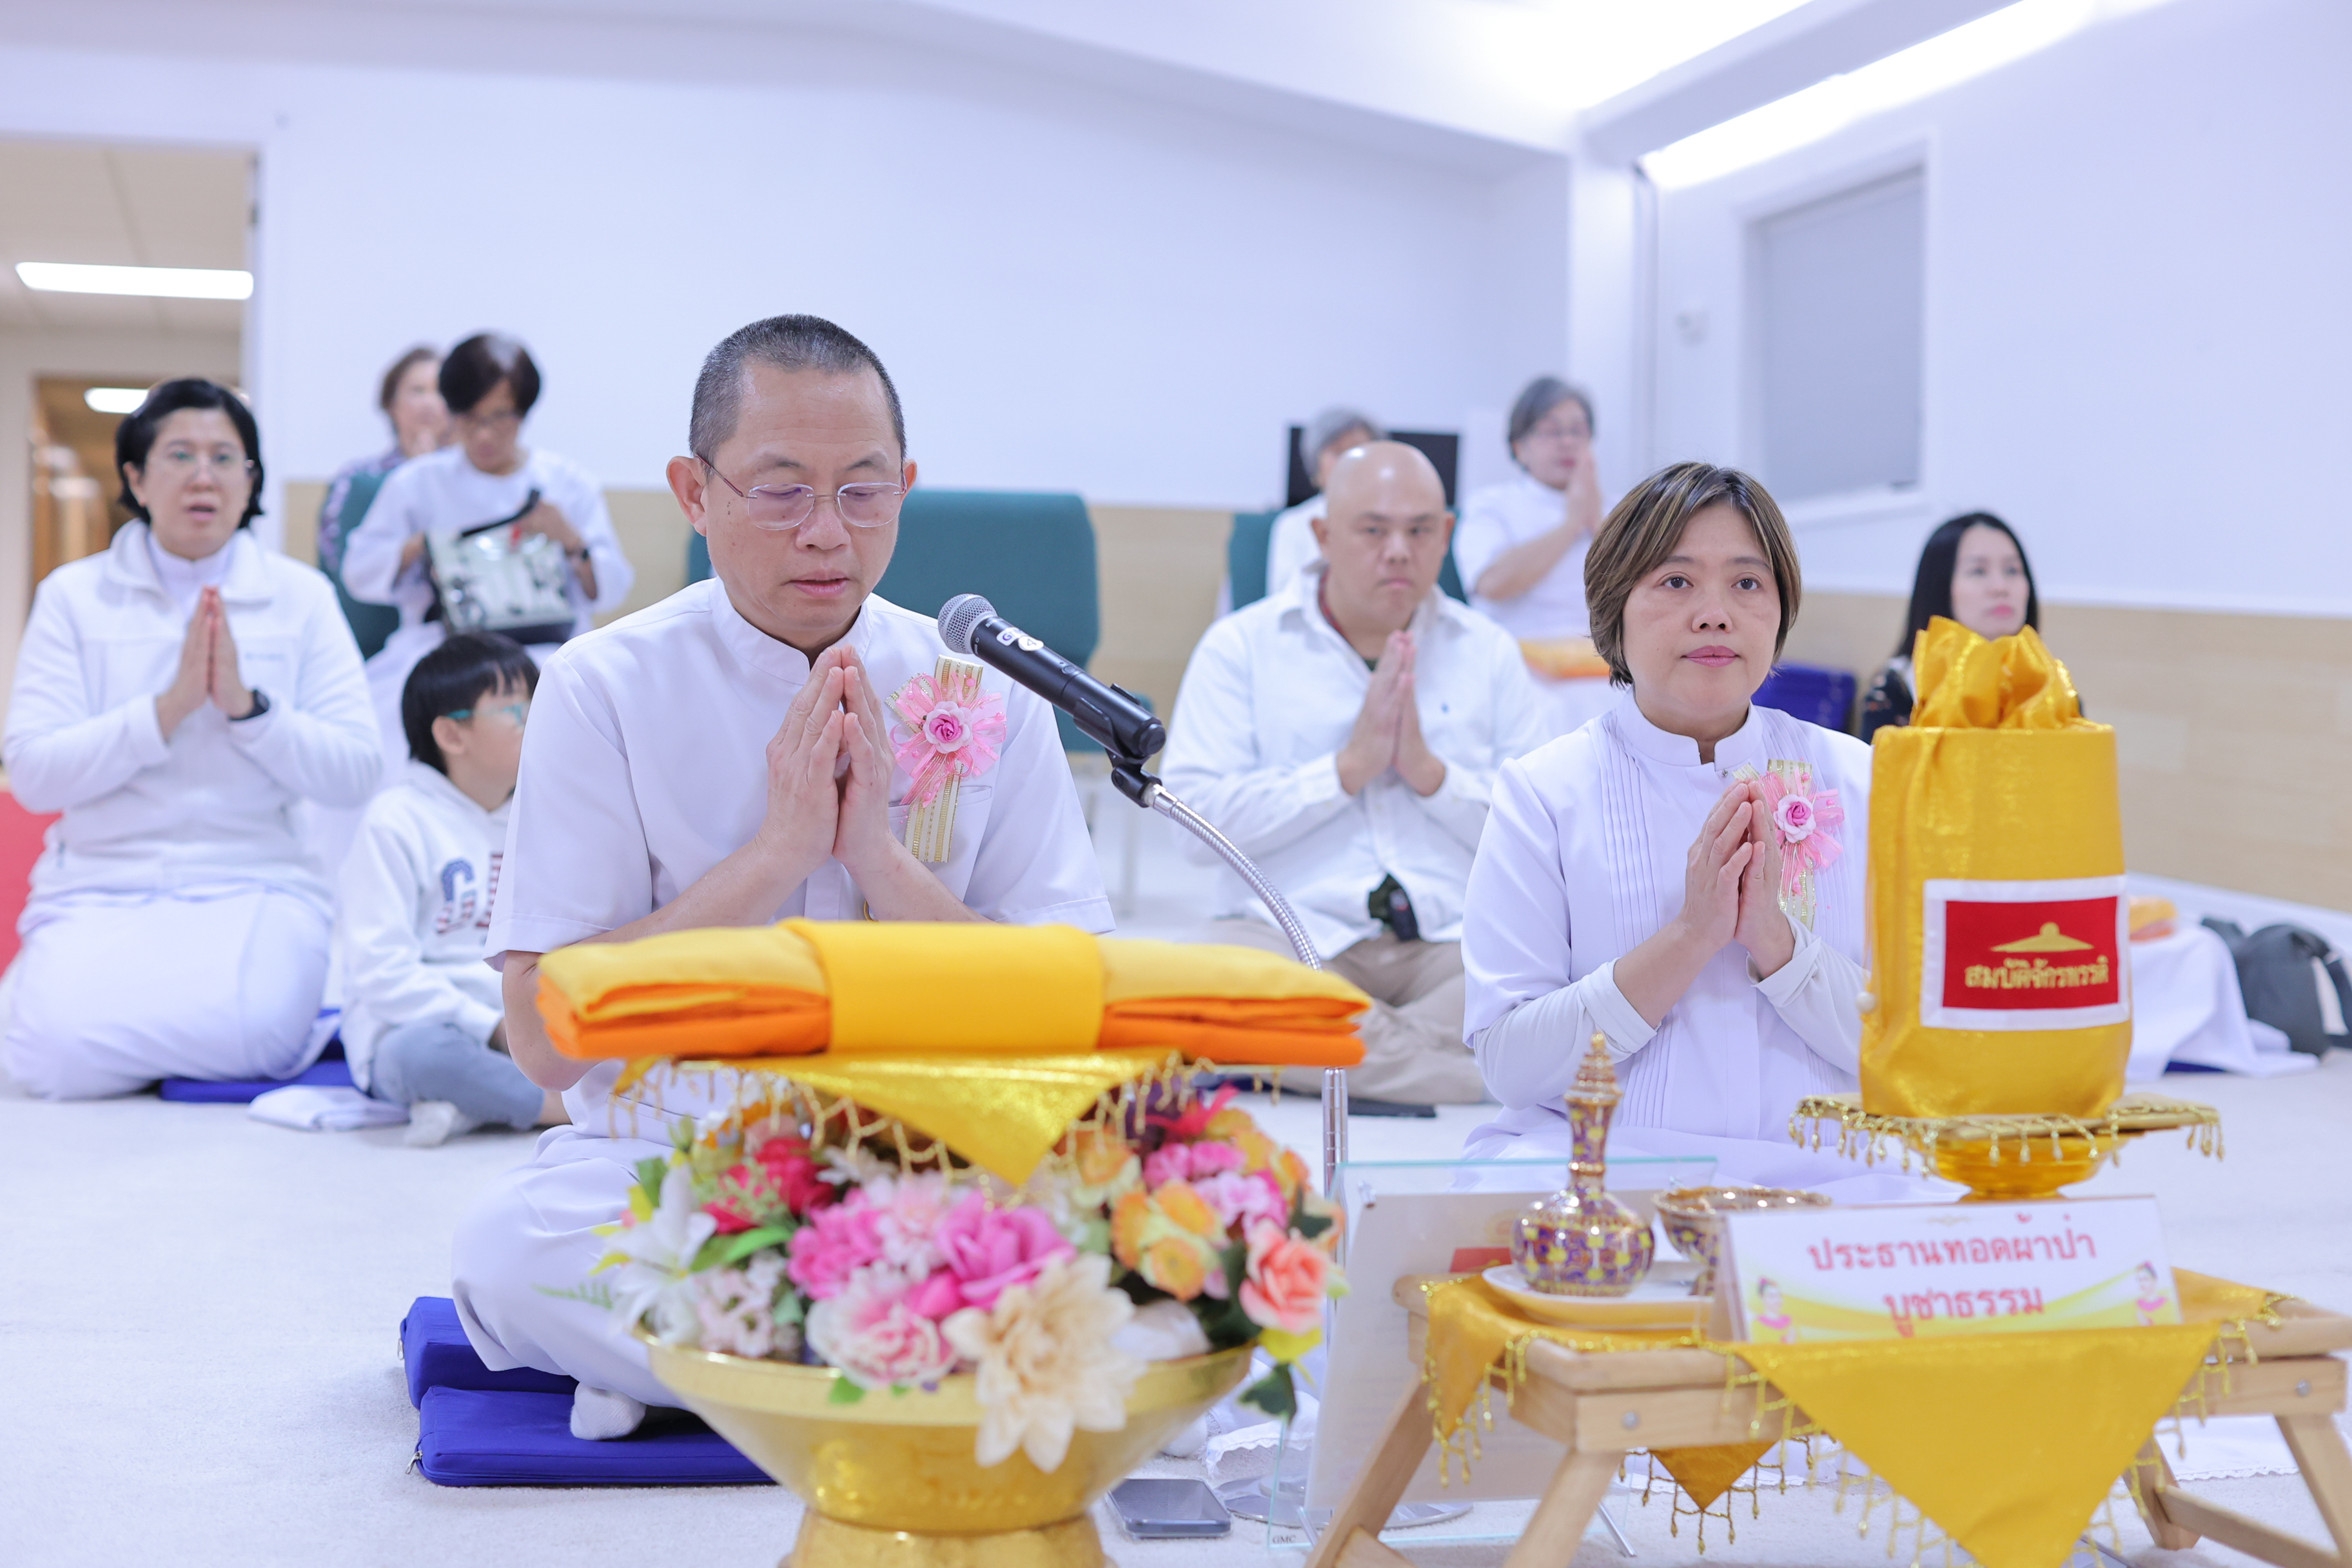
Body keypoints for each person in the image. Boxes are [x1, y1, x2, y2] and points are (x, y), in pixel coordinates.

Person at [449, 315, 1108, 1440]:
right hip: (678, 1161)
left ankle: (716, 1358)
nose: (826, 532)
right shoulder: (604, 685)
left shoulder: (984, 684)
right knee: (509, 1253)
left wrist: (879, 863)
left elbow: (1070, 1013)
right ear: (694, 494)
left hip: (929, 1157)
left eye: (862, 491)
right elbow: (545, 1042)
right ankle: (924, 1359)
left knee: (1138, 1214)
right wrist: (773, 858)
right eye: (780, 490)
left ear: (905, 488)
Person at [1458, 462, 1914, 1198]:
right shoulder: (1543, 793)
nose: (1714, 614)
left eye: (1747, 583)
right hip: (1607, 1166)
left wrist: (1779, 945)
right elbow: (1512, 1065)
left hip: (1831, 1167)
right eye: (1676, 581)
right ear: (1614, 606)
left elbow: (1916, 1050)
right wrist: (1691, 936)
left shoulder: (1864, 781)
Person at [1, 379, 380, 1099]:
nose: (203, 475)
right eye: (179, 455)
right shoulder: (74, 597)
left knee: (261, 1034)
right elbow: (35, 774)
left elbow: (356, 770)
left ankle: (128, 1029)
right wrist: (165, 712)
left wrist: (249, 710)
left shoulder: (301, 597)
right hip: (103, 881)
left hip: (255, 878)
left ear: (250, 480)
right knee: (46, 1061)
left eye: (224, 457)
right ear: (137, 478)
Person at [1164, 442, 1550, 1105]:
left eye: (1420, 530)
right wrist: (1345, 772)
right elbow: (1193, 826)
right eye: (1374, 530)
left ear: (1446, 535)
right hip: (1286, 933)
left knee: (1555, 978)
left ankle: (1331, 1056)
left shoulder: (1488, 652)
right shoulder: (1242, 647)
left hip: (1452, 943)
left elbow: (1540, 837)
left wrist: (1430, 776)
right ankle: (1483, 1073)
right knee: (1199, 983)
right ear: (1323, 535)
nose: (1398, 550)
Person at [340, 333, 634, 769]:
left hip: (545, 652)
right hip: (441, 651)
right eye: (469, 419)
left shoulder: (567, 483)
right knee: (384, 743)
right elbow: (359, 572)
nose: (483, 434)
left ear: (524, 412)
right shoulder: (418, 482)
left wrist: (571, 540)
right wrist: (419, 547)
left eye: (499, 418)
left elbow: (612, 589)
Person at [338, 632, 569, 1146]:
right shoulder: (395, 821)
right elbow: (381, 972)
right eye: (514, 711)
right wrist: (491, 1028)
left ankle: (473, 1105)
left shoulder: (542, 813)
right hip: (423, 1025)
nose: (534, 722)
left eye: (537, 705)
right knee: (420, 1058)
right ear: (451, 734)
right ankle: (557, 1109)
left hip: (525, 1020)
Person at [1453, 378, 1614, 736]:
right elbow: (1491, 584)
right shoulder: (1491, 505)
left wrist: (1597, 524)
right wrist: (1571, 525)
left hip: (1600, 661)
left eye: (1577, 431)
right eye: (1551, 431)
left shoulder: (1616, 509)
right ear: (1519, 447)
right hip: (1519, 661)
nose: (1567, 442)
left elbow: (1645, 586)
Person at [317, 345, 449, 662]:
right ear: (391, 404)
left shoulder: (465, 479)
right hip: (373, 642)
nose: (429, 402)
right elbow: (335, 565)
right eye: (417, 391)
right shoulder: (358, 478)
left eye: (440, 391)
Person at [1858, 511, 2039, 741]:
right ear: (1939, 587)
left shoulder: (2049, 685)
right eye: (1979, 571)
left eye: (2012, 570)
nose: (2000, 587)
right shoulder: (1897, 690)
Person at [1264, 406, 1383, 596]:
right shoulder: (1293, 525)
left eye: (1359, 451)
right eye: (1338, 452)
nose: (1349, 461)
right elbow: (1284, 598)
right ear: (1316, 468)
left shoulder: (1396, 521)